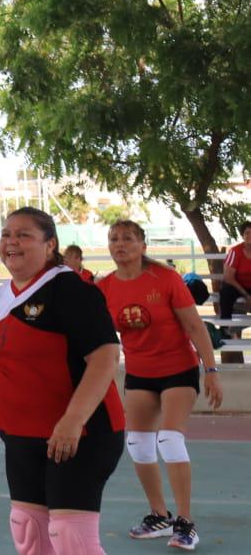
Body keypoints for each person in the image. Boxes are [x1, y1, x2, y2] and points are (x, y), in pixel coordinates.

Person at [0, 207, 124, 555]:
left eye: (24, 235)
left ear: (50, 244)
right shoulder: (0, 297)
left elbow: (105, 357)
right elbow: (6, 365)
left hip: (78, 436)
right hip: (21, 435)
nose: (12, 242)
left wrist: (72, 420)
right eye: (7, 234)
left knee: (71, 538)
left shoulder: (71, 290)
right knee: (30, 534)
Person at [97, 220, 222, 552]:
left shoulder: (164, 279)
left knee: (169, 439)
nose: (119, 244)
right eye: (114, 239)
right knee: (138, 443)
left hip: (177, 369)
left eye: (128, 239)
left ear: (143, 246)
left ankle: (185, 521)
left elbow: (195, 327)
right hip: (139, 372)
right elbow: (101, 337)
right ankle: (159, 515)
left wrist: (210, 370)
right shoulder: (105, 287)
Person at [218, 222, 251, 328]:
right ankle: (224, 329)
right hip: (237, 286)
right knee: (226, 291)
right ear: (242, 236)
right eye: (247, 233)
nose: (250, 235)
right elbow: (228, 278)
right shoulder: (235, 251)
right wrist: (246, 295)